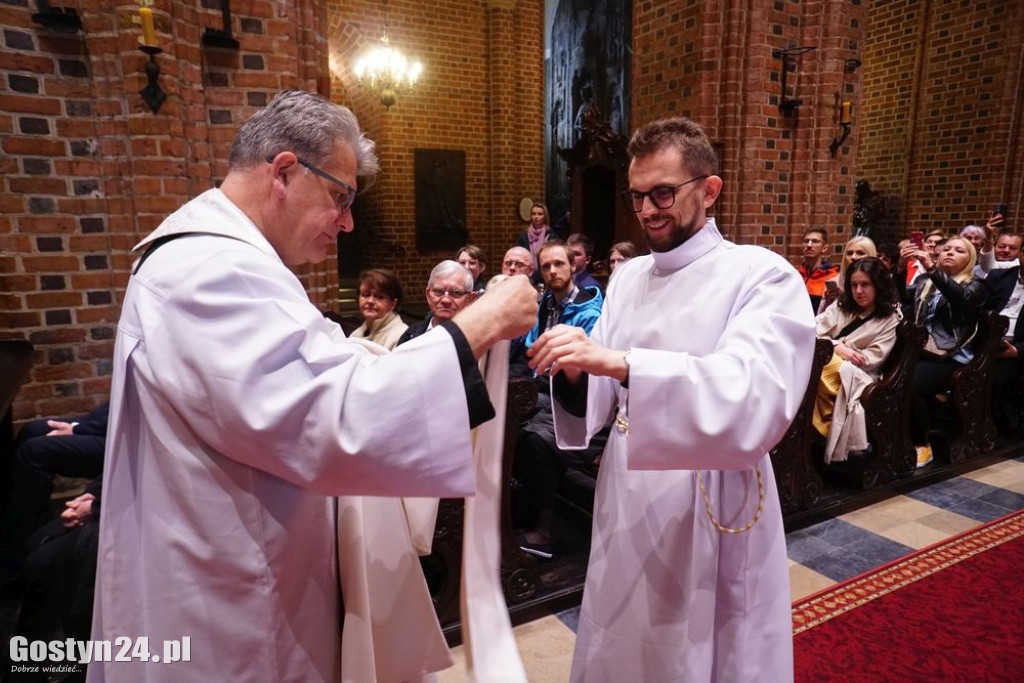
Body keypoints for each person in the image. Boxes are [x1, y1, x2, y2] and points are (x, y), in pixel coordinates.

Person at [90, 90, 538, 682]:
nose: (348, 222)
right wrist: (479, 323)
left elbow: (311, 371)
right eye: (341, 197)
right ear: (283, 171)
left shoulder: (231, 261)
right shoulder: (209, 271)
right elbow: (336, 419)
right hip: (229, 610)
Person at [528, 116, 814, 681]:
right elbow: (600, 393)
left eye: (663, 192)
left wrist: (624, 363)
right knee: (622, 625)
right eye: (638, 196)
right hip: (627, 487)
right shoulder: (631, 276)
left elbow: (754, 394)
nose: (648, 209)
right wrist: (571, 364)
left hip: (711, 495)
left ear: (709, 190)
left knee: (698, 643)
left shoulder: (760, 276)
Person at [513, 242, 604, 555]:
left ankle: (544, 531)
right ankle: (518, 512)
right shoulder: (546, 304)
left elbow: (586, 367)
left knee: (534, 441)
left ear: (572, 266)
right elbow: (531, 347)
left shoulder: (590, 310)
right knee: (507, 423)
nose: (553, 271)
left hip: (580, 400)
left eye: (559, 264)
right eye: (547, 266)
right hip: (545, 389)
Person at [0, 401, 108, 596]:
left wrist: (79, 429)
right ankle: (20, 535)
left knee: (33, 453)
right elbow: (117, 402)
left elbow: (137, 411)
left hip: (130, 437)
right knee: (33, 430)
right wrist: (80, 425)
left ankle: (11, 567)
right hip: (114, 426)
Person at [898, 236, 986, 467]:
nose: (949, 253)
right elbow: (901, 297)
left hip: (950, 356)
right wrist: (899, 268)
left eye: (959, 251)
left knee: (908, 382)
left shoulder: (976, 285)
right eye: (946, 249)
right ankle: (891, 439)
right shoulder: (925, 281)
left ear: (970, 259)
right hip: (919, 350)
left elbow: (962, 300)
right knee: (880, 375)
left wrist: (932, 268)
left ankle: (922, 445)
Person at [812, 258, 902, 462]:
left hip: (859, 375)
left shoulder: (890, 317)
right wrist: (836, 346)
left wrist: (834, 349)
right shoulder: (841, 305)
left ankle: (824, 429)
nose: (859, 291)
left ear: (879, 285)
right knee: (809, 361)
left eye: (865, 285)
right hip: (829, 359)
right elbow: (812, 330)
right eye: (854, 285)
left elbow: (869, 359)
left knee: (818, 363)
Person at [396, 260, 476, 346]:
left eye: (456, 293)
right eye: (439, 291)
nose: (446, 300)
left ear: (470, 299)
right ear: (428, 295)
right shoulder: (410, 335)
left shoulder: (480, 341)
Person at [350, 268, 408, 350]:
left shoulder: (401, 335)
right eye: (365, 295)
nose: (370, 301)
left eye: (379, 297)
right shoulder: (356, 335)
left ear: (393, 303)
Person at [817, 235, 878, 313]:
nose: (853, 257)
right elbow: (821, 316)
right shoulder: (835, 281)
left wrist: (845, 297)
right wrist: (828, 301)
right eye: (849, 253)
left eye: (860, 253)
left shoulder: (879, 283)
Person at [797, 228, 838, 311]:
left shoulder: (832, 278)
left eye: (815, 241)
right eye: (806, 241)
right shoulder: (796, 275)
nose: (809, 245)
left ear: (824, 248)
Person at [515, 202, 557, 267]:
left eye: (540, 214)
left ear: (545, 216)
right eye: (533, 214)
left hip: (544, 269)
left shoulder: (550, 234)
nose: (536, 217)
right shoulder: (524, 235)